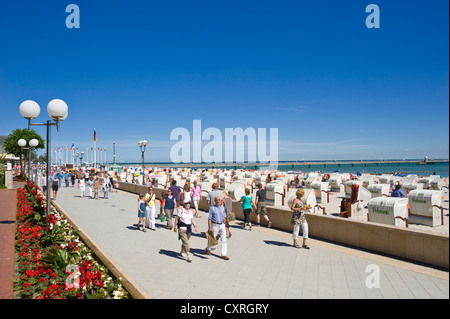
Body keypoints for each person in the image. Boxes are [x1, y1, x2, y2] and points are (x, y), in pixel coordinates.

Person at [206, 196, 229, 260]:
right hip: (215, 225)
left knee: (224, 239)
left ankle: (223, 254)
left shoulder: (222, 207)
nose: (218, 201)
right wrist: (209, 227)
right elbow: (209, 218)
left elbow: (224, 215)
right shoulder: (212, 208)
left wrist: (225, 221)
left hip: (222, 225)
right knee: (212, 239)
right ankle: (208, 248)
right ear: (215, 201)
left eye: (219, 200)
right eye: (217, 200)